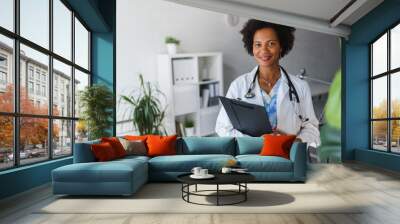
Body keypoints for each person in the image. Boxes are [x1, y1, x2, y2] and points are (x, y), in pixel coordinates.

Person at [215, 19, 320, 146]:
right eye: (258, 44)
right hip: (252, 158)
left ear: (281, 46)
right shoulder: (239, 85)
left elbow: (311, 127)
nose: (264, 51)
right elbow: (223, 127)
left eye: (271, 44)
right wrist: (258, 142)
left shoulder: (300, 86)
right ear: (251, 47)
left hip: (288, 157)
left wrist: (292, 143)